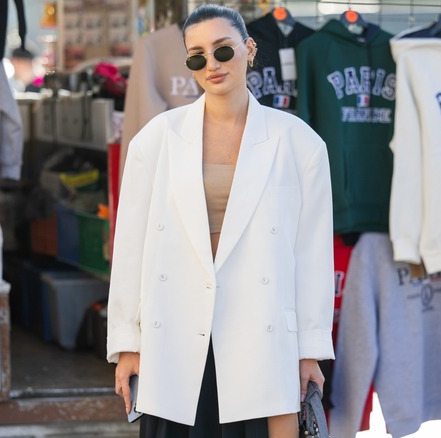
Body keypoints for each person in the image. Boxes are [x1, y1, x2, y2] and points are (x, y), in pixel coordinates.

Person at [106, 4, 335, 437]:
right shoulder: (157, 139)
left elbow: (312, 259)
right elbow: (130, 246)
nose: (211, 64)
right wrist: (127, 344)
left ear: (249, 49)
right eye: (197, 56)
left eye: (222, 50)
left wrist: (310, 352)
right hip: (174, 326)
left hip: (261, 330)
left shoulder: (300, 143)